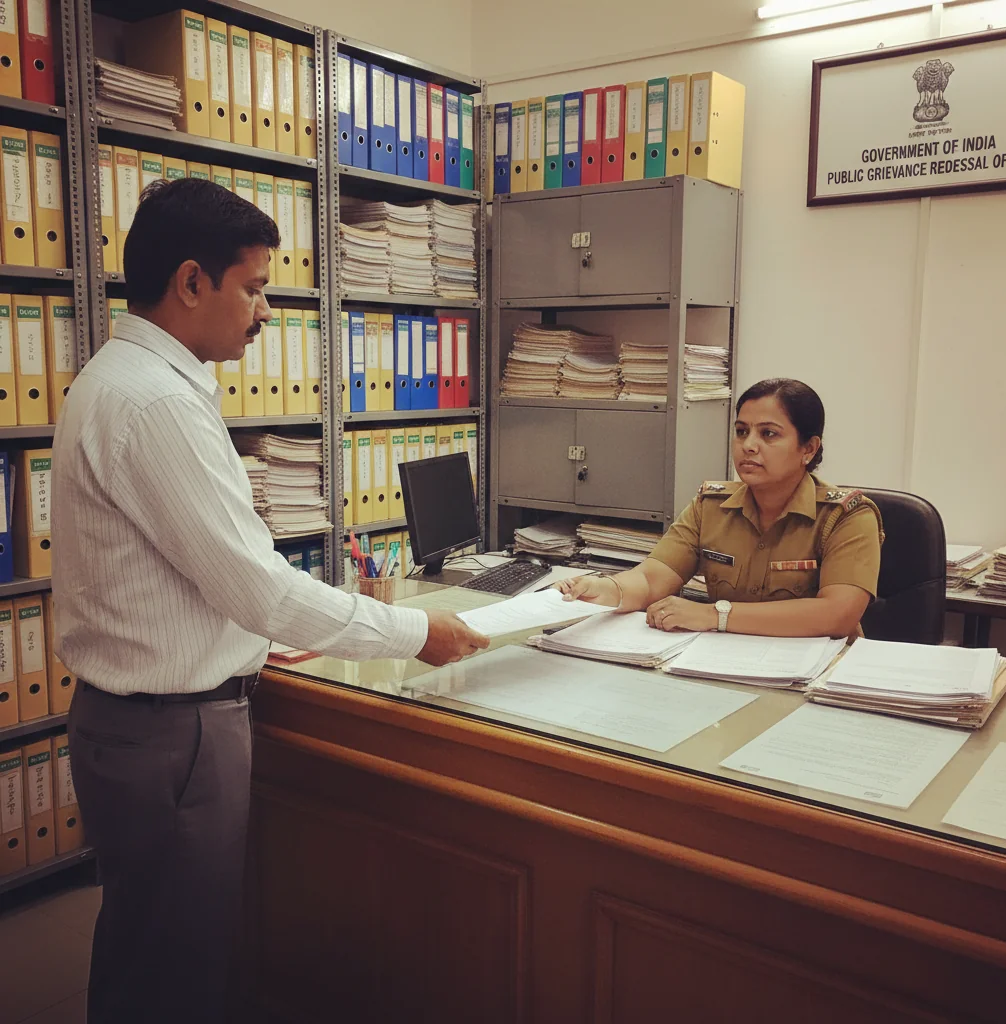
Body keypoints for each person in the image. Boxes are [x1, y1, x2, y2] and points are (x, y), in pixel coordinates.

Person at [52, 178, 489, 1024]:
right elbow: (256, 587)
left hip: (134, 725)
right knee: (177, 970)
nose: (264, 311)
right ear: (191, 282)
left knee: (144, 951)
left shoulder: (117, 378)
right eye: (252, 287)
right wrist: (413, 632)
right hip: (173, 736)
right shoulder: (156, 404)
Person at [557, 378, 883, 638]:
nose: (748, 445)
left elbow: (838, 614)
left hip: (816, 676)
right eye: (741, 432)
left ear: (808, 449)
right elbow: (652, 579)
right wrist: (605, 589)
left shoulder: (847, 516)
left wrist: (715, 615)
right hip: (725, 662)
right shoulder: (711, 506)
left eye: (768, 434)